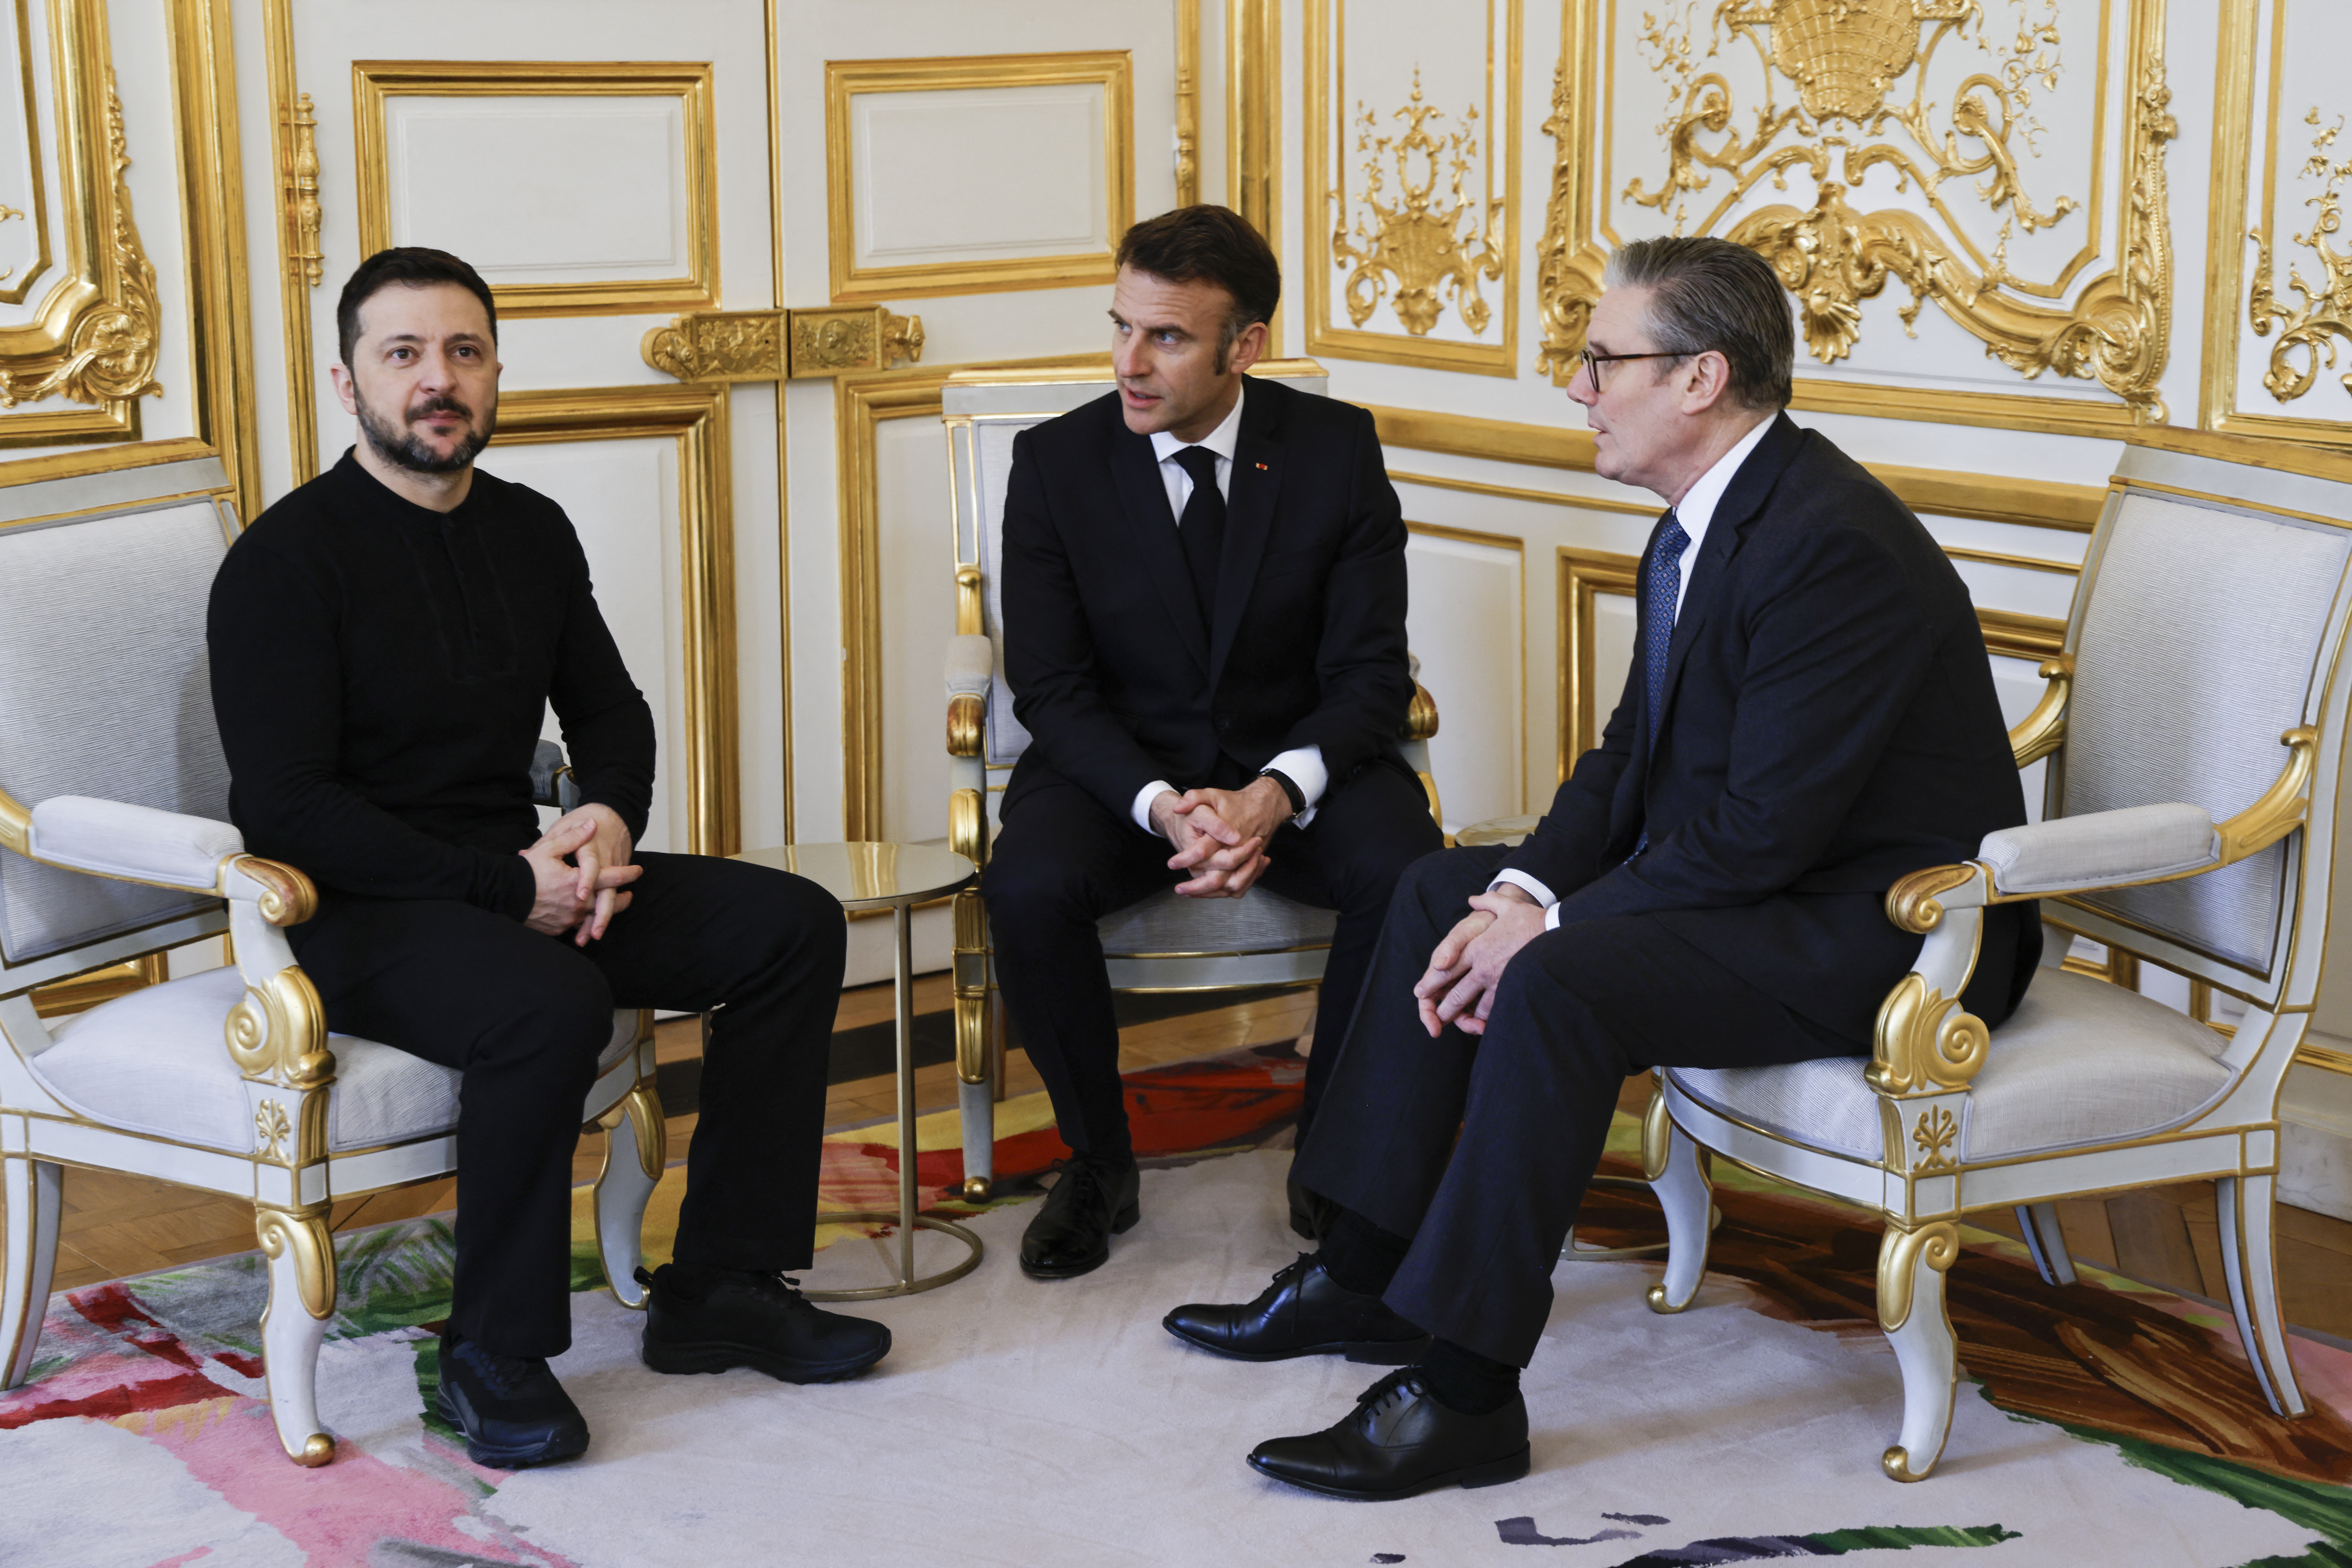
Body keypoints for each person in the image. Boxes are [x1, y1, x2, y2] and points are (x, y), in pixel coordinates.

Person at [1161, 235, 2041, 1499]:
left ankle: (1467, 1393)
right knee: (1432, 890)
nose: (1577, 387)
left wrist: (1546, 932)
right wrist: (1516, 891)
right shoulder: (1699, 524)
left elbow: (1764, 834)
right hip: (1771, 885)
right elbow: (1629, 761)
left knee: (1562, 979)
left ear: (1699, 379)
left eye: (1600, 360)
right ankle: (1365, 1273)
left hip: (1887, 929)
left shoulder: (1829, 545)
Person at [207, 248, 888, 1469]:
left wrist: (607, 821)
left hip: (520, 872)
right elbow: (291, 806)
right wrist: (510, 885)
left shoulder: (529, 528)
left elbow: (613, 716)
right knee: (548, 997)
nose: (437, 381)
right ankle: (491, 1349)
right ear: (345, 381)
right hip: (357, 910)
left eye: (463, 353)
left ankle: (720, 1284)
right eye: (402, 354)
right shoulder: (284, 561)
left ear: (495, 375)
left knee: (790, 924)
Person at [982, 205, 1444, 1281]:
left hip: (1295, 769)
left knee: (1410, 870)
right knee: (1026, 886)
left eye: (1167, 338)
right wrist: (1162, 803)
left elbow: (1373, 674)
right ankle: (1099, 1163)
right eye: (1120, 327)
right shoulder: (1055, 463)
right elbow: (1050, 685)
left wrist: (1274, 795)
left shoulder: (1335, 452)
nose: (1127, 364)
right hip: (1119, 779)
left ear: (1248, 346)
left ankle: (1334, 1157)